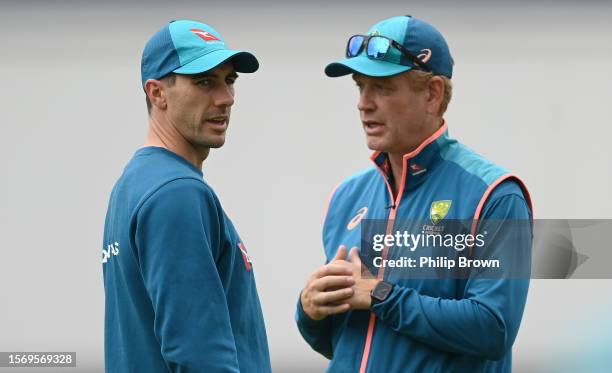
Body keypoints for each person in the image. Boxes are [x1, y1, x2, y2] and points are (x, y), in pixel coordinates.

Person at [296, 15, 533, 373]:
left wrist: (381, 296)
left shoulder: (496, 195)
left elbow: (493, 329)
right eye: (360, 86)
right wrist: (310, 311)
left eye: (382, 87)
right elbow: (351, 341)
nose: (364, 103)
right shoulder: (347, 196)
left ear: (432, 94)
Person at [102, 20, 271, 372]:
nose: (226, 98)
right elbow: (200, 356)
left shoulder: (134, 184)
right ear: (157, 93)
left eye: (229, 80)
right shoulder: (176, 193)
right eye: (204, 82)